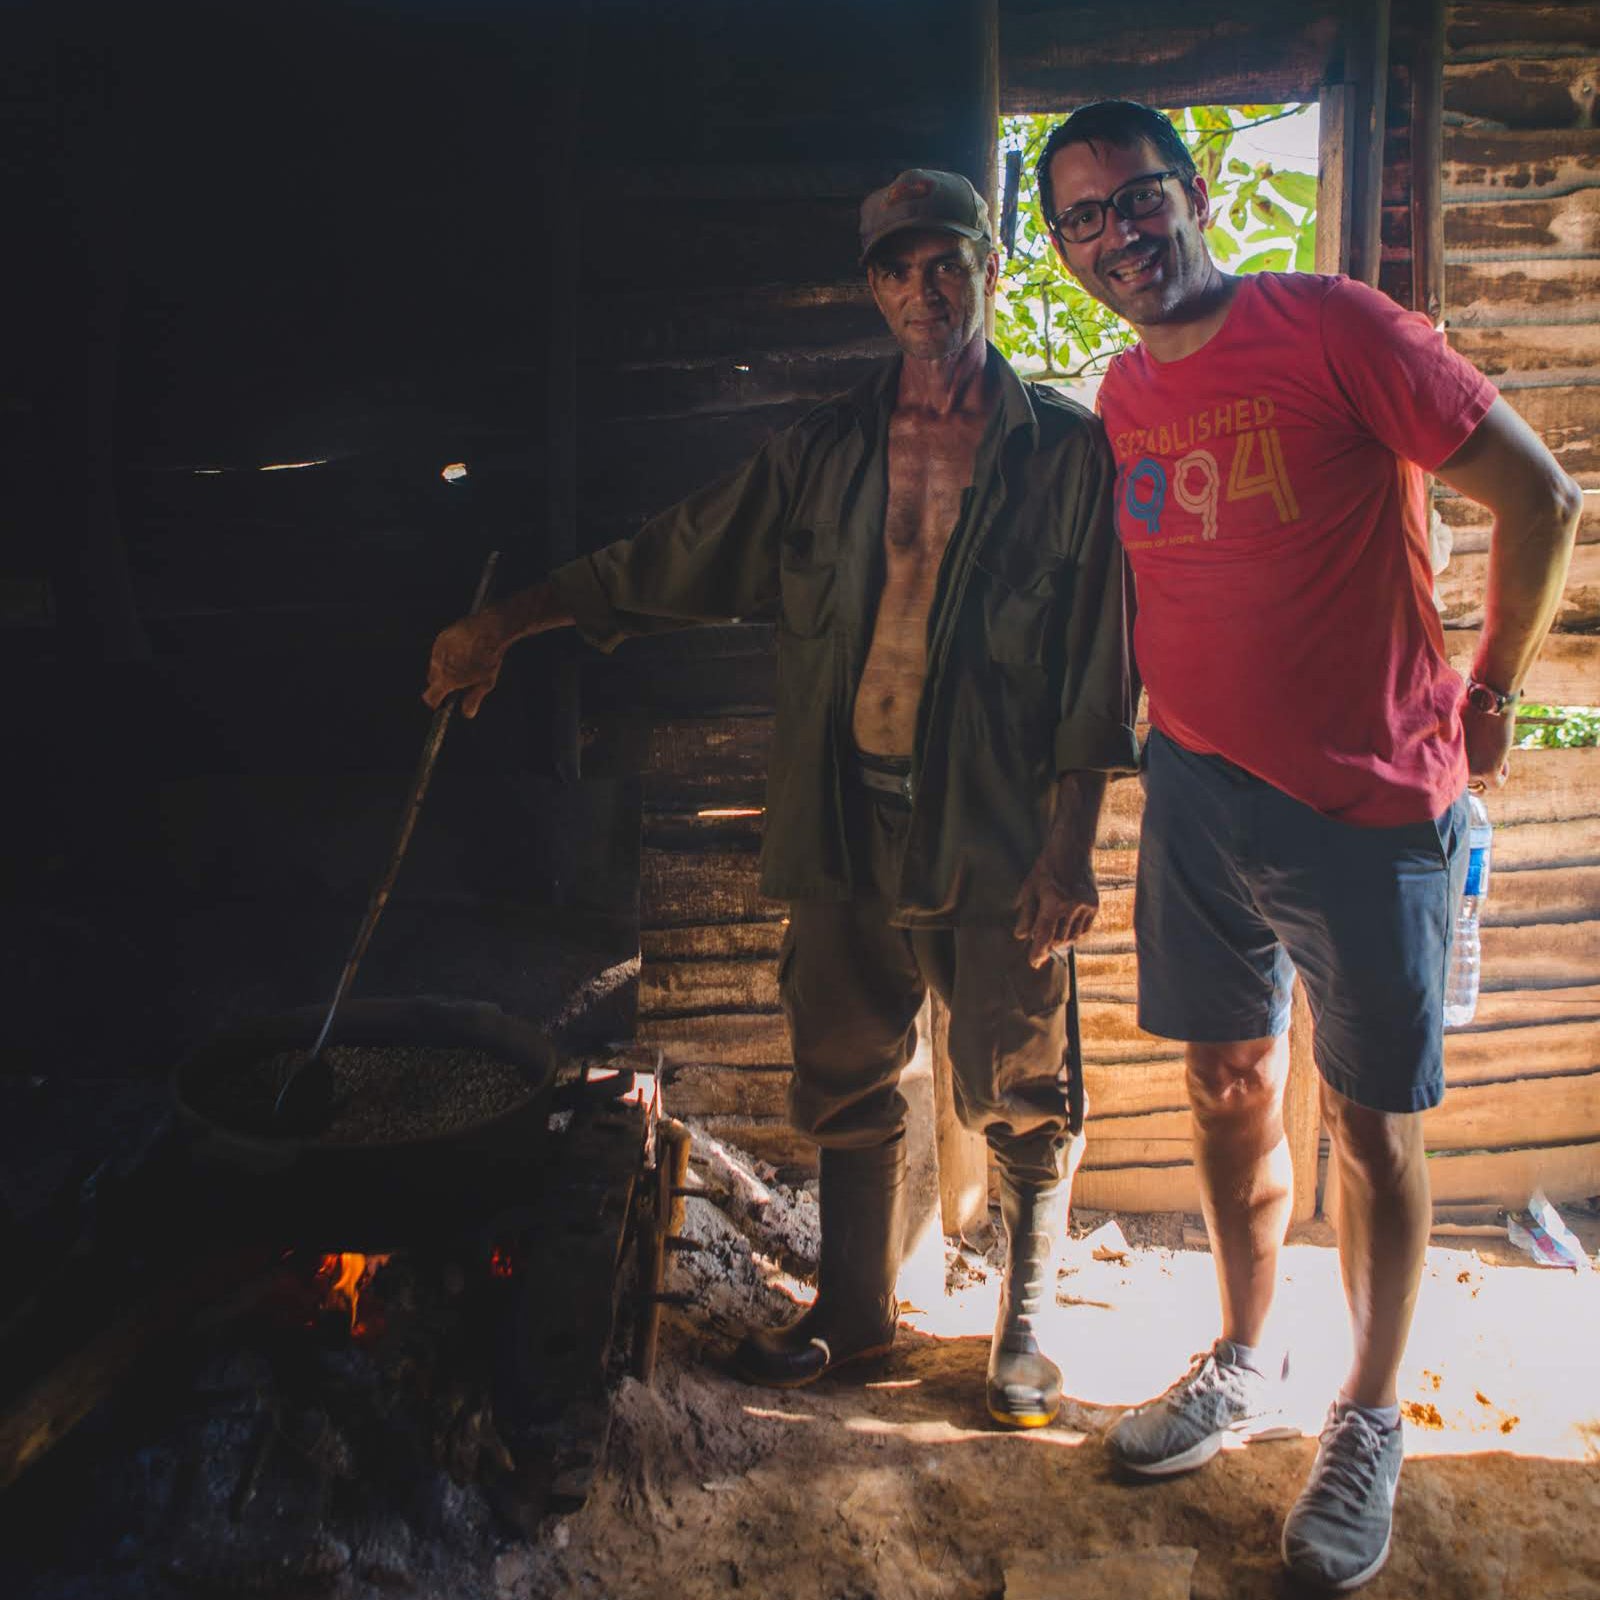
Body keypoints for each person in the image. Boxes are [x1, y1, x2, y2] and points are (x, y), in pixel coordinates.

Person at [423, 168, 1140, 1428]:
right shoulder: (820, 452)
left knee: (1017, 1074)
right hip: (844, 813)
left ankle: (1020, 1334)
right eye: (898, 267)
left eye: (949, 260)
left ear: (990, 265)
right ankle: (854, 1315)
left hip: (991, 822)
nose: (926, 287)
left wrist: (1070, 848)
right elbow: (671, 559)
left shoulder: (1063, 449)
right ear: (870, 288)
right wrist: (507, 622)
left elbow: (1097, 665)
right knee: (845, 1062)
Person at [1037, 100, 1581, 1590]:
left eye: (1138, 198)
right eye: (1084, 218)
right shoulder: (1125, 394)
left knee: (1370, 1126)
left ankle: (1367, 1412)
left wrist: (1494, 693)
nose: (1119, 235)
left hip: (1371, 810)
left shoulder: (1341, 329)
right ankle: (1242, 1357)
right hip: (1201, 795)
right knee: (1225, 1084)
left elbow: (1542, 496)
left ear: (1193, 192)